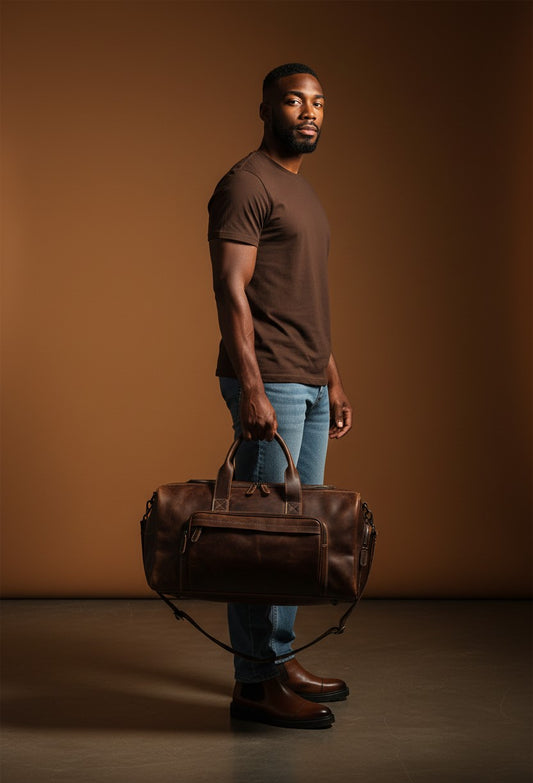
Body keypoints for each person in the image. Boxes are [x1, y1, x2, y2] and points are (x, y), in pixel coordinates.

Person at [208, 63, 353, 730]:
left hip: (309, 380)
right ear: (264, 106)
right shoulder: (245, 183)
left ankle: (279, 658)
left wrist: (333, 375)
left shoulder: (306, 194)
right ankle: (253, 684)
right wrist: (254, 391)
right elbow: (232, 292)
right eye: (294, 100)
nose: (308, 112)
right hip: (268, 382)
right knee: (261, 537)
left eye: (317, 102)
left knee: (298, 538)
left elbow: (302, 300)